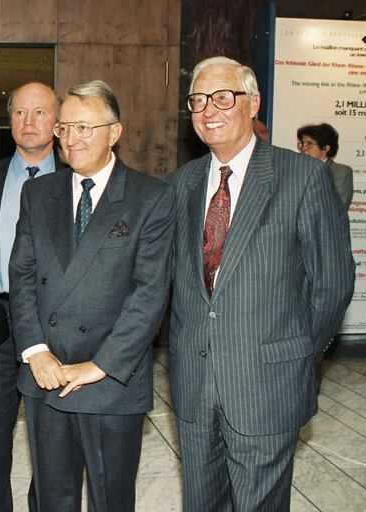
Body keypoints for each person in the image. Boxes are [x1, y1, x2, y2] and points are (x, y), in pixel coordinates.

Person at [166, 56, 354, 510]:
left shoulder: (303, 177)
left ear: (253, 103)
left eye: (223, 97)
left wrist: (293, 355)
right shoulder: (179, 185)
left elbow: (333, 283)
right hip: (194, 386)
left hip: (267, 385)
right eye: (198, 100)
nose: (209, 109)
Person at [9, 80, 175, 512]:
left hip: (111, 379)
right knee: (52, 498)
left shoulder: (150, 198)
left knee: (111, 498)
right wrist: (34, 349)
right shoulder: (38, 193)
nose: (71, 138)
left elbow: (150, 294)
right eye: (65, 128)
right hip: (48, 375)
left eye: (84, 127)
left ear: (114, 132)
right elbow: (21, 275)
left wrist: (100, 365)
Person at [0, 81, 67, 512]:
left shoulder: (77, 179)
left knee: (52, 438)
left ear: (58, 123)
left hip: (55, 322)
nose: (30, 122)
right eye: (21, 112)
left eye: (41, 113)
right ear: (9, 120)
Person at [297, 122, 354, 208]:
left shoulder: (340, 172)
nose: (303, 148)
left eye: (309, 144)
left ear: (325, 148)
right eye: (302, 143)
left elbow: (338, 208)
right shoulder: (297, 171)